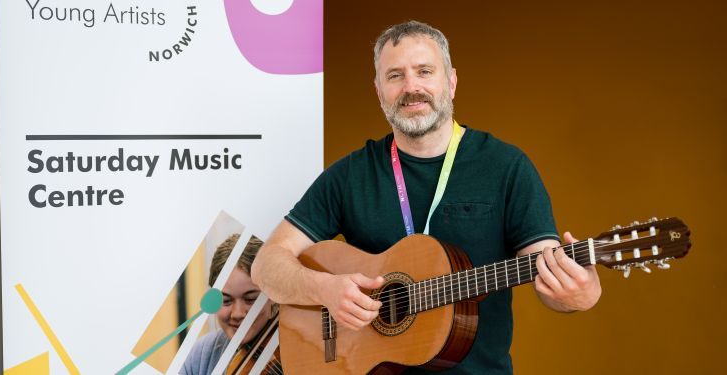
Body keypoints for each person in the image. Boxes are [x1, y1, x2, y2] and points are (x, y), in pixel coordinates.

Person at [251, 20, 602, 373]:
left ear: (450, 81)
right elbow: (267, 266)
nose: (411, 87)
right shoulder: (349, 176)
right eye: (395, 76)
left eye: (424, 71)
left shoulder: (506, 167)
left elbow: (546, 270)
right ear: (379, 91)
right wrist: (323, 289)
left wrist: (576, 293)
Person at [181, 234, 277, 375]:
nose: (237, 313)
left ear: (274, 294)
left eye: (251, 299)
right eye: (225, 300)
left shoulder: (304, 343)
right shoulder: (200, 354)